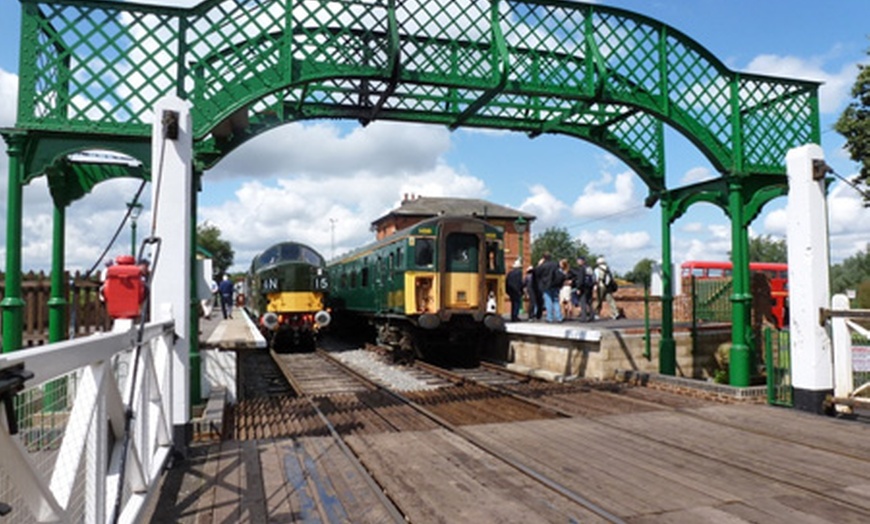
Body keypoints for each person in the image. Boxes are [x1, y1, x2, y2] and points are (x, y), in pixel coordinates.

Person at [534, 252, 563, 323]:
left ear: (543, 258)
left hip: (546, 285)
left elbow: (536, 273)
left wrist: (539, 264)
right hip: (555, 284)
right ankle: (559, 317)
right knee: (556, 300)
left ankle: (549, 317)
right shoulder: (555, 264)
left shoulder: (543, 266)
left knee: (548, 301)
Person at [572, 256, 595, 322]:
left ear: (582, 261)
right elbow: (593, 278)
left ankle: (584, 317)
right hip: (590, 287)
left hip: (583, 287)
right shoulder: (589, 268)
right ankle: (592, 316)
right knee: (590, 302)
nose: (577, 262)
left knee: (583, 302)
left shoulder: (582, 269)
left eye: (578, 260)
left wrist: (578, 288)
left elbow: (581, 279)